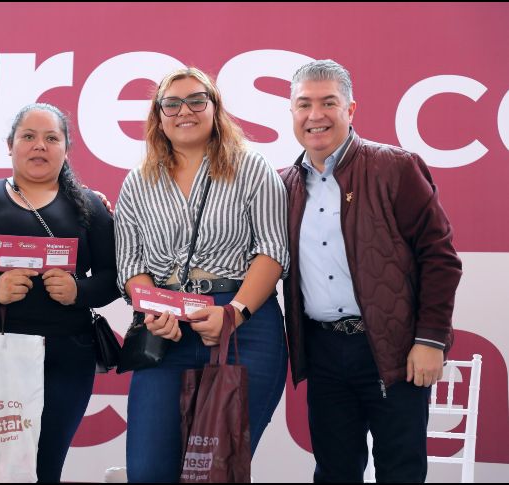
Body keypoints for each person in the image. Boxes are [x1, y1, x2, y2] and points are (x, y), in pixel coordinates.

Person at [280, 59, 463, 483]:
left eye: (329, 102)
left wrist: (430, 339)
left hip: (394, 349)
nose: (316, 115)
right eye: (304, 104)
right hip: (324, 352)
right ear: (292, 113)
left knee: (401, 471)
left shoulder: (396, 167)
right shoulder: (283, 184)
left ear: (351, 110)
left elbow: (440, 257)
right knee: (334, 471)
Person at [115, 67, 289, 482]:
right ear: (158, 116)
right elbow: (130, 267)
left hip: (243, 328)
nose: (184, 111)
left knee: (217, 470)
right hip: (165, 329)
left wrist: (234, 314)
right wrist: (155, 311)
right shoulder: (138, 183)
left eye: (196, 100)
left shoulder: (252, 168)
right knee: (148, 470)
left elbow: (272, 251)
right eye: (170, 104)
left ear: (215, 109)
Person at [0, 102, 118, 482]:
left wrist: (78, 291)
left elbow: (117, 276)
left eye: (51, 138)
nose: (39, 146)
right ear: (9, 145)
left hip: (65, 359)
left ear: (66, 149)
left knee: (44, 469)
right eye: (28, 137)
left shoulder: (91, 207)